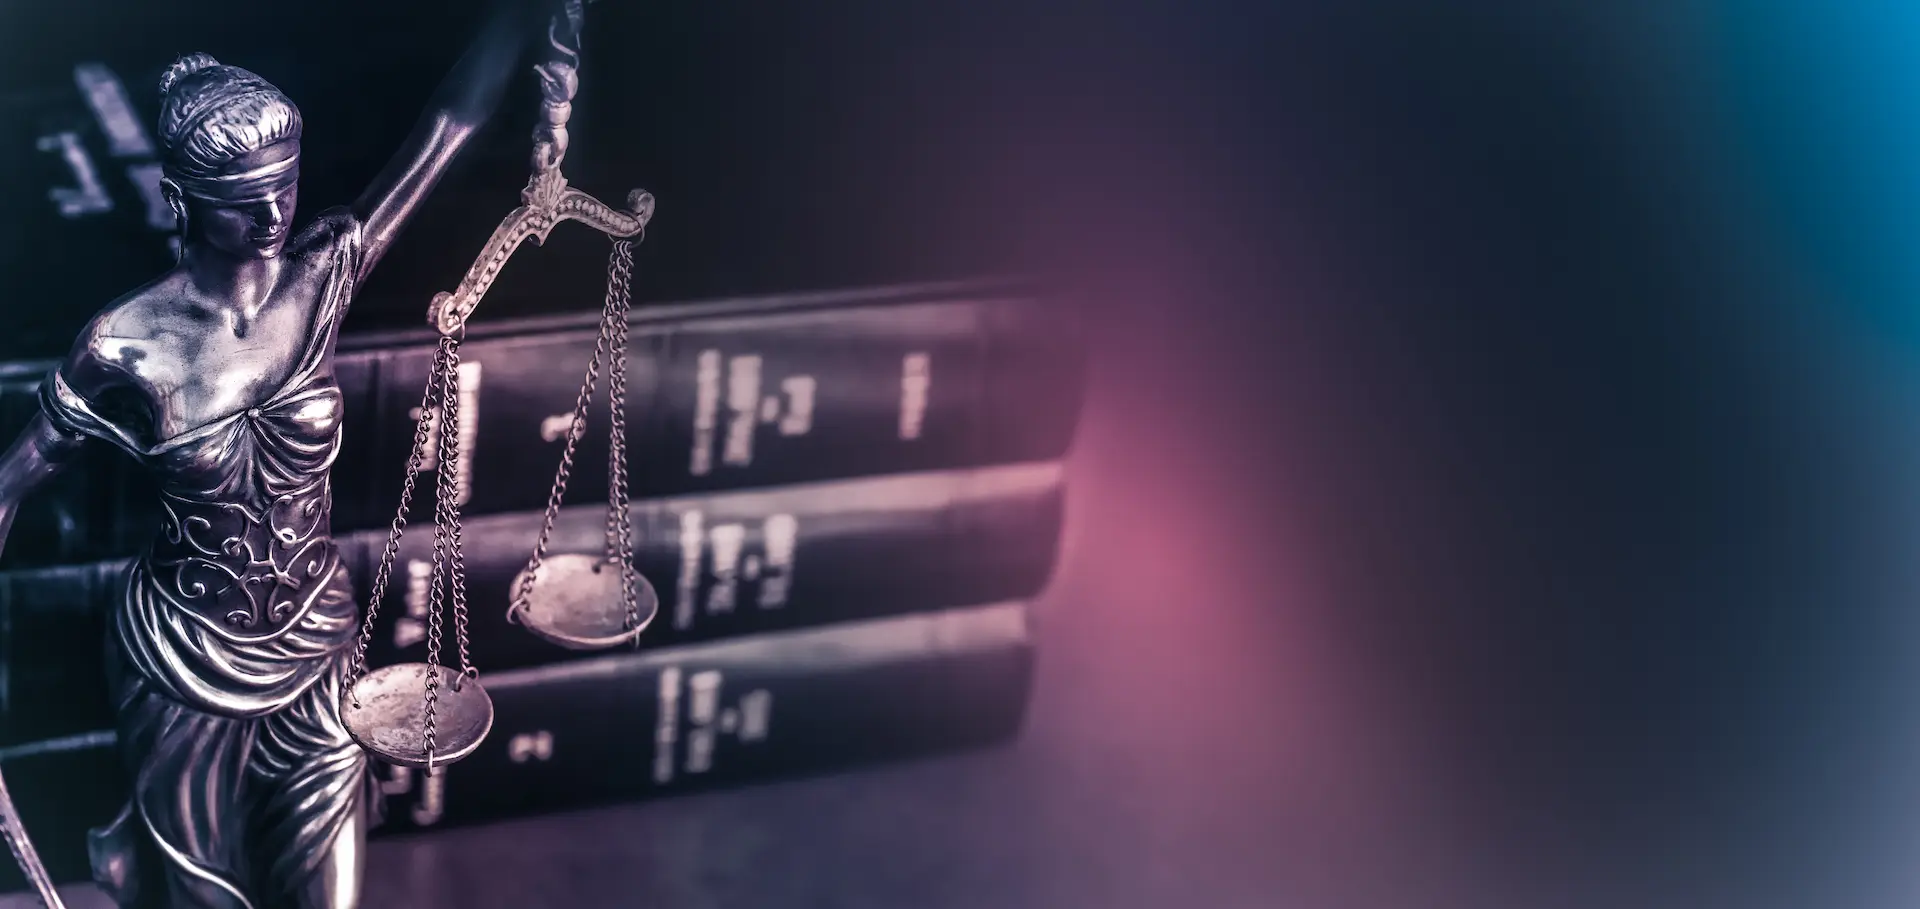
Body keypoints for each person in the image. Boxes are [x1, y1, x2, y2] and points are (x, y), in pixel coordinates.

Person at [0, 2, 555, 906]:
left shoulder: (322, 277)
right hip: (182, 660)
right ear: (183, 203)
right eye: (240, 201)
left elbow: (448, 128)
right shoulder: (124, 345)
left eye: (284, 188)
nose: (270, 213)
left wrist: (532, 15)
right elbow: (12, 480)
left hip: (315, 641)